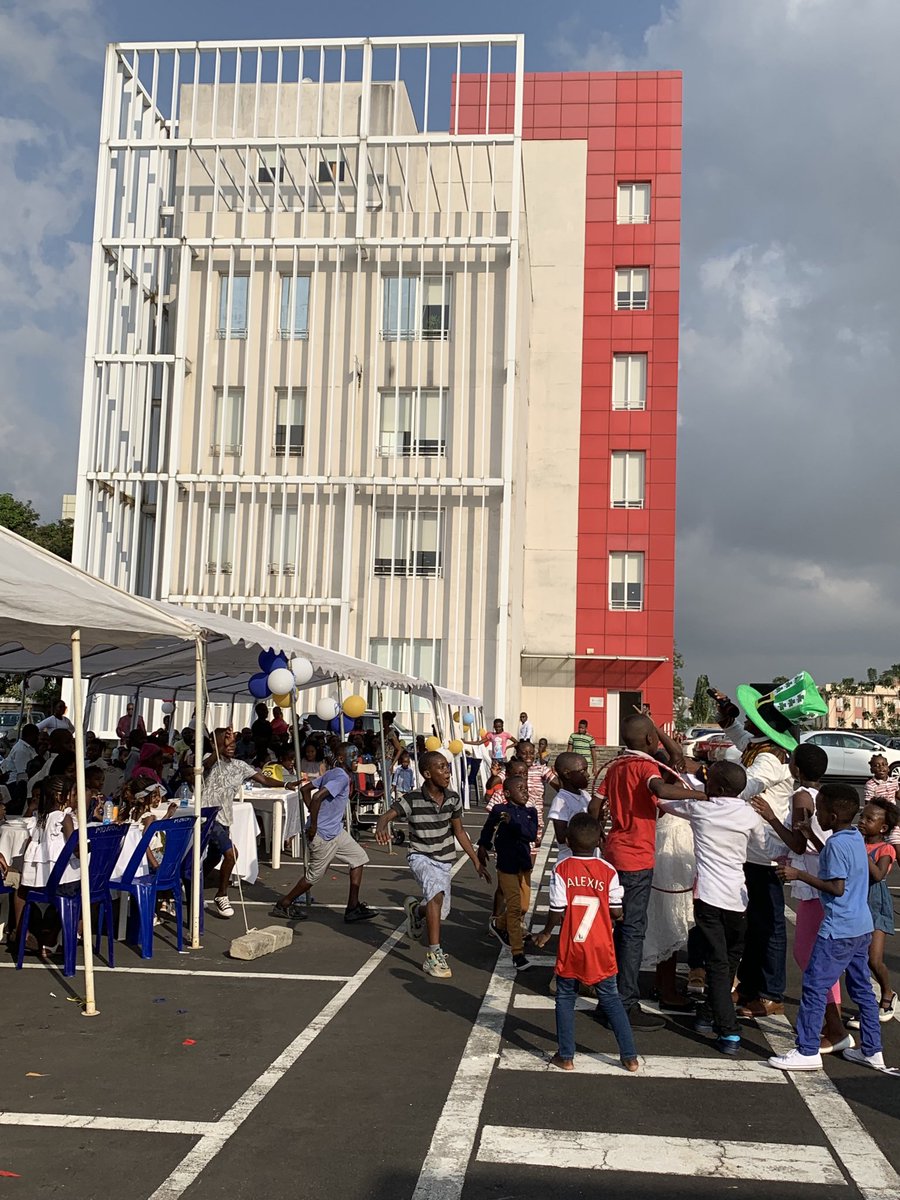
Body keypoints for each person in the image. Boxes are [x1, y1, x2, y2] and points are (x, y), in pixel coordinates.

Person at [589, 713, 705, 1030]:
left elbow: (595, 806)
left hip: (613, 854)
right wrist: (702, 795)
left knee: (616, 929)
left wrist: (599, 831)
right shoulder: (646, 767)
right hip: (636, 860)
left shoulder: (615, 766)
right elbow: (661, 790)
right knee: (632, 933)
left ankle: (608, 1000)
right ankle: (623, 1005)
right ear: (651, 741)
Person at [769, 784, 885, 1071]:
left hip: (838, 929)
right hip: (861, 926)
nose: (814, 815)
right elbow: (839, 864)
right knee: (861, 990)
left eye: (818, 810)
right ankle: (872, 1049)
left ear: (831, 816)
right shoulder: (853, 837)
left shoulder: (836, 843)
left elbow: (836, 886)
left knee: (815, 985)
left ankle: (807, 1050)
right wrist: (811, 838)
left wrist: (799, 874)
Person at [658, 760, 769, 1054]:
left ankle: (727, 1029)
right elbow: (765, 848)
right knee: (730, 959)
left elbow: (663, 800)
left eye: (708, 780)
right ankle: (708, 1014)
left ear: (717, 788)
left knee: (719, 965)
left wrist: (695, 795)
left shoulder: (701, 809)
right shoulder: (748, 815)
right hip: (737, 898)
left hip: (708, 898)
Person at [751, 742, 851, 1053]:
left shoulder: (801, 797)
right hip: (818, 881)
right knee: (816, 958)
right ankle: (829, 1022)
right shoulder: (817, 795)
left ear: (796, 769)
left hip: (813, 885)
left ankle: (833, 1026)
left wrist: (769, 818)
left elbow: (798, 843)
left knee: (810, 958)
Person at [533, 813, 639, 1073]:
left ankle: (566, 1055)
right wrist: (619, 914)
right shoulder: (608, 870)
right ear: (600, 840)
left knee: (566, 996)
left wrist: (546, 932)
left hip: (573, 946)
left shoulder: (562, 869)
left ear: (568, 840)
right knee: (611, 998)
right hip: (601, 945)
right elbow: (616, 910)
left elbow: (557, 908)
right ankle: (630, 1057)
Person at [713, 688, 795, 1018]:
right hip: (751, 849)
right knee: (752, 925)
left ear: (767, 726)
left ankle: (770, 993)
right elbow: (742, 738)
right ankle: (748, 988)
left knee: (769, 926)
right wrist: (727, 716)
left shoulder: (770, 759)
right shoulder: (760, 747)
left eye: (753, 717)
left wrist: (710, 783)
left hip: (765, 853)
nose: (748, 719)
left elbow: (745, 784)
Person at [375, 749, 490, 979]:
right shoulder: (412, 799)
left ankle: (416, 911)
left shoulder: (453, 798)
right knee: (436, 895)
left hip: (444, 860)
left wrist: (476, 860)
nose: (447, 771)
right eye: (441, 767)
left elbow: (459, 831)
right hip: (420, 856)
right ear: (427, 773)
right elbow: (388, 815)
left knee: (439, 909)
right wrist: (381, 825)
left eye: (447, 766)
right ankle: (434, 955)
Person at [272, 744, 377, 925]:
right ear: (342, 759)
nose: (356, 760)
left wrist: (315, 815)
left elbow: (305, 790)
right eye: (353, 756)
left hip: (335, 830)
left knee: (359, 858)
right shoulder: (341, 777)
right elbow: (316, 797)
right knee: (314, 876)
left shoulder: (332, 772)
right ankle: (284, 903)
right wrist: (314, 823)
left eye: (357, 756)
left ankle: (353, 907)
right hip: (323, 834)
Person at [203, 728, 298, 919]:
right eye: (226, 743)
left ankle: (190, 884)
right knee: (231, 854)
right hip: (208, 817)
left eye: (233, 743)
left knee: (212, 859)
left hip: (225, 818)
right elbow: (207, 763)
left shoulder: (240, 765)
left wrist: (285, 784)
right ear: (216, 744)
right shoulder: (210, 760)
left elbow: (263, 779)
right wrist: (220, 745)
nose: (231, 746)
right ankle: (221, 895)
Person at [478, 774, 539, 970]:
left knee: (523, 906)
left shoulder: (531, 812)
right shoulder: (499, 809)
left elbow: (530, 835)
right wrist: (483, 846)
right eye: (520, 789)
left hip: (523, 864)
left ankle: (498, 924)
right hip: (506, 865)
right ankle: (517, 953)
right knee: (514, 907)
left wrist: (512, 823)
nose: (525, 792)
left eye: (526, 788)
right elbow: (489, 827)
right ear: (507, 793)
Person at [847, 797, 898, 1024]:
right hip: (855, 902)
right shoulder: (855, 841)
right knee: (856, 960)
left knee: (873, 959)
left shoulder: (884, 849)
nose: (862, 822)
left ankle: (888, 992)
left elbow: (877, 875)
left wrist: (860, 849)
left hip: (875, 903)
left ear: (883, 827)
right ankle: (866, 1005)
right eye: (862, 817)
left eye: (869, 819)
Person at [16, 775, 78, 958]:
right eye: (73, 794)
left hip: (43, 880)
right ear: (61, 797)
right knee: (77, 895)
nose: (75, 798)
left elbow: (29, 847)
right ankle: (52, 939)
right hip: (64, 882)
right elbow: (75, 848)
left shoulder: (41, 818)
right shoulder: (65, 818)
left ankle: (23, 933)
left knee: (21, 891)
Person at [548, 753, 592, 862]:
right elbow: (561, 837)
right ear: (567, 774)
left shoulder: (585, 795)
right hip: (570, 860)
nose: (587, 775)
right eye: (583, 771)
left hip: (590, 859)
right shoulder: (561, 801)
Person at [1, 723, 39, 813]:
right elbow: (22, 773)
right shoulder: (21, 750)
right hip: (15, 783)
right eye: (36, 735)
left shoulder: (29, 747)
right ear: (30, 736)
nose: (37, 738)